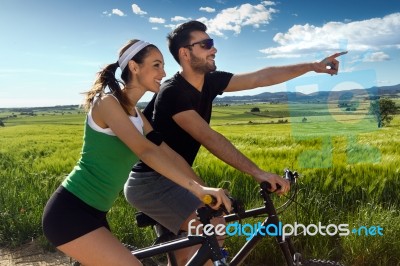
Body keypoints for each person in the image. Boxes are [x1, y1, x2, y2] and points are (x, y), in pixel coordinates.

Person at [124, 21, 347, 264]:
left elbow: (261, 77)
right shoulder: (172, 92)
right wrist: (257, 172)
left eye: (213, 43)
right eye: (206, 44)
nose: (214, 49)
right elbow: (209, 137)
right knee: (215, 226)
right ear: (185, 53)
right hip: (153, 182)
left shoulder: (209, 82)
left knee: (195, 255)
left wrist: (313, 66)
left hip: (178, 176)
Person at [42, 39, 232, 266]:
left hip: (97, 214)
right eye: (156, 65)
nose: (163, 72)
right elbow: (146, 150)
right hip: (69, 212)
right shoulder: (107, 102)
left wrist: (203, 190)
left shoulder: (137, 116)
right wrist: (198, 190)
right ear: (134, 67)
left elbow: (166, 153)